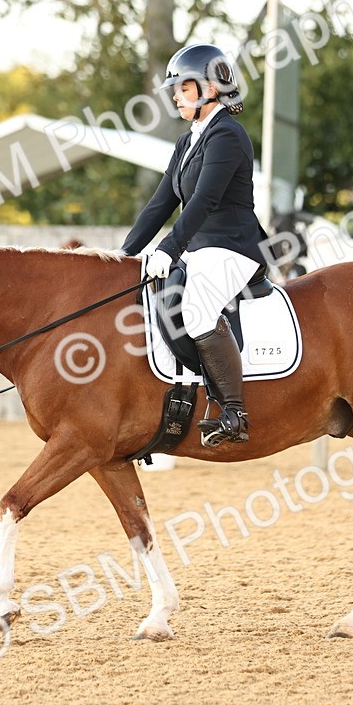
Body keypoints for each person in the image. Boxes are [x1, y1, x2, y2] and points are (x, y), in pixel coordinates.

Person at [121, 43, 266, 447]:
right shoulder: (188, 141)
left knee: (198, 309)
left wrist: (168, 249)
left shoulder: (228, 135)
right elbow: (162, 201)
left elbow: (205, 200)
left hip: (232, 247)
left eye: (183, 87)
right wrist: (125, 254)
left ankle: (234, 413)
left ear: (210, 88)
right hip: (198, 247)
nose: (174, 95)